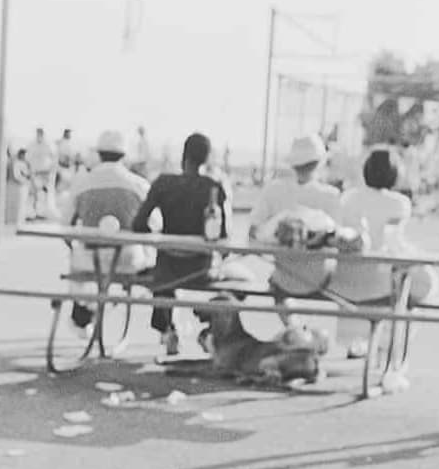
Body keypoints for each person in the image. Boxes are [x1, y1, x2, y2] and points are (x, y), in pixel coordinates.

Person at [332, 147, 435, 360]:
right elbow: (393, 242)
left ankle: (363, 341)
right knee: (423, 283)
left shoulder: (349, 198)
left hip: (345, 282)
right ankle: (388, 343)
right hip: (380, 282)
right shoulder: (399, 204)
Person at [132, 131, 229, 355]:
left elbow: (139, 224)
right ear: (207, 159)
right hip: (201, 269)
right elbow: (223, 236)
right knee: (243, 278)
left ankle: (167, 329)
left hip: (167, 267)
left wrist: (160, 238)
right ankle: (209, 330)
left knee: (161, 273)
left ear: (183, 156)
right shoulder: (213, 188)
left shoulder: (163, 183)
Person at [250, 133, 344, 325]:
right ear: (319, 162)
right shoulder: (331, 196)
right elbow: (340, 239)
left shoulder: (273, 190)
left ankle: (294, 327)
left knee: (274, 285)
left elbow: (253, 231)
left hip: (284, 278)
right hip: (321, 279)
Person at [65, 129, 151, 334]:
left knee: (76, 261)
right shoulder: (138, 185)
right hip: (128, 260)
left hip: (88, 259)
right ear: (124, 155)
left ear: (99, 153)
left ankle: (82, 315)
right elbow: (155, 225)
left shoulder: (81, 183)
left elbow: (66, 226)